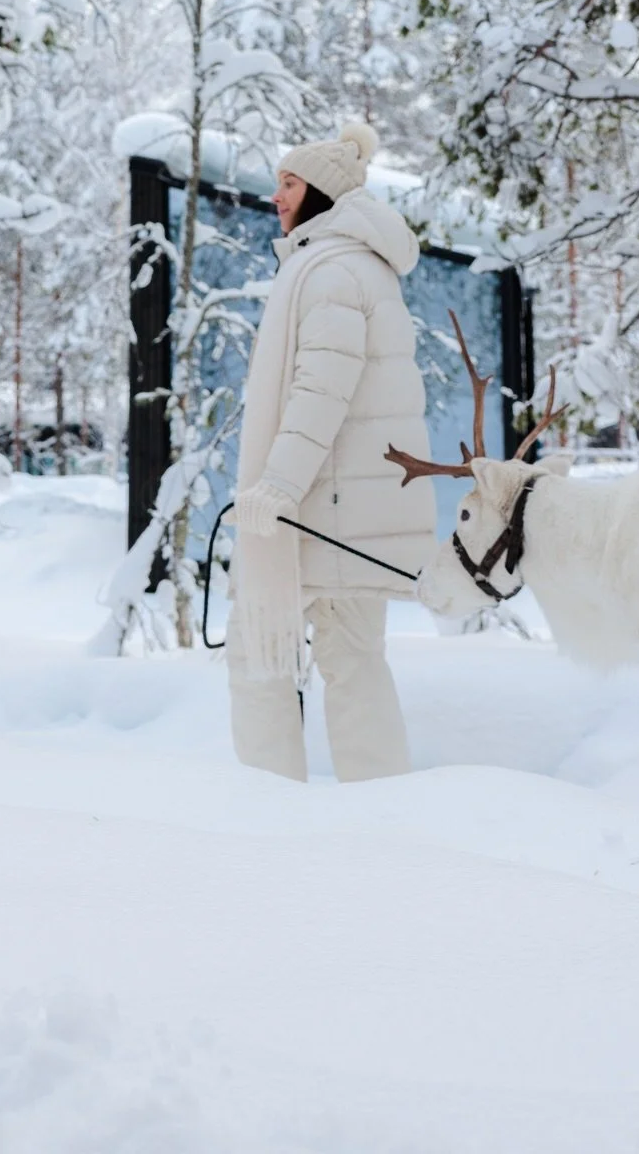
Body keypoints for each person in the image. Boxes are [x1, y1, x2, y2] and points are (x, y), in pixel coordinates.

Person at [226, 120, 437, 782]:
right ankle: (379, 807)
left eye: (288, 183)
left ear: (320, 191)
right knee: (354, 662)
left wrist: (278, 488)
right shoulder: (348, 264)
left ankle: (269, 806)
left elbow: (321, 392)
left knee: (259, 654)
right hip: (342, 508)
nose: (276, 196)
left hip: (322, 511)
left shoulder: (332, 270)